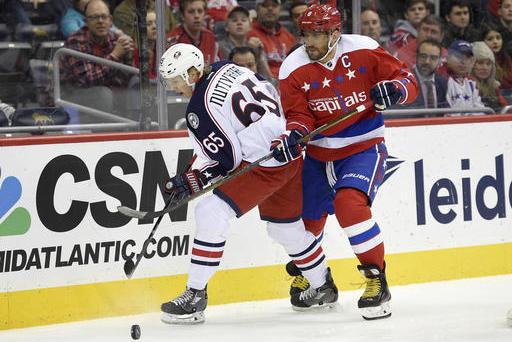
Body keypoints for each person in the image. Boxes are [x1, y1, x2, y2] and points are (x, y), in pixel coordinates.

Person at [158, 43, 338, 324]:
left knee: (211, 212)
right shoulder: (227, 67)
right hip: (287, 149)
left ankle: (195, 295)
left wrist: (195, 179)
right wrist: (193, 174)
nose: (173, 87)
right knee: (285, 229)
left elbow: (228, 161)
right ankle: (323, 285)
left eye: (175, 80)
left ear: (192, 73)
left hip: (263, 163)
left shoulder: (199, 107)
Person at [277, 1, 419, 320]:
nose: (309, 42)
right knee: (306, 222)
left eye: (317, 35)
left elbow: (408, 81)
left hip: (362, 147)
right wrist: (295, 134)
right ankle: (317, 279)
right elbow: (298, 114)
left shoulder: (364, 50)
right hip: (316, 155)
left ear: (335, 33)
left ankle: (375, 280)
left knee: (349, 204)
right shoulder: (292, 68)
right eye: (305, 35)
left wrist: (394, 90)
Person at [61, 0, 134, 114]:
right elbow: (87, 80)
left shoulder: (115, 39)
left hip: (109, 92)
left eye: (104, 17)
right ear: (86, 22)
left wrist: (129, 55)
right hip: (73, 97)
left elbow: (126, 77)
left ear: (110, 20)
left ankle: (139, 129)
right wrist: (114, 55)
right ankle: (105, 130)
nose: (100, 21)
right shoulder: (75, 41)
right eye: (94, 17)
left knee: (137, 83)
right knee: (103, 94)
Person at [217, 6, 273, 80]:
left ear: (250, 26)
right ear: (226, 27)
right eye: (234, 20)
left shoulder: (255, 45)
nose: (239, 23)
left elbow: (268, 79)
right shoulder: (220, 47)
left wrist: (259, 54)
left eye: (243, 20)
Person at [247, 0, 296, 79]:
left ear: (280, 9)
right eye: (265, 5)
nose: (270, 8)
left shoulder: (287, 35)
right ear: (257, 9)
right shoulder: (249, 33)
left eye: (274, 5)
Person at [166, 0, 220, 65]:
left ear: (205, 14)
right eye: (191, 12)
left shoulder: (210, 37)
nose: (196, 16)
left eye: (200, 11)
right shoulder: (173, 40)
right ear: (182, 16)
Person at [444, 40, 485, 113]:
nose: (463, 61)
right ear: (448, 58)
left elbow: (480, 109)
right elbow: (445, 112)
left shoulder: (472, 83)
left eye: (467, 58)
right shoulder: (443, 81)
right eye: (458, 56)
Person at [410, 38, 448, 109]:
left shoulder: (443, 83)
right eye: (423, 56)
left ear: (439, 61)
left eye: (433, 58)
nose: (427, 61)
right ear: (416, 57)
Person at [470, 41, 508, 112]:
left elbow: (506, 110)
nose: (485, 67)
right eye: (480, 63)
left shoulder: (494, 88)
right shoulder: (467, 87)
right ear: (471, 65)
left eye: (488, 64)